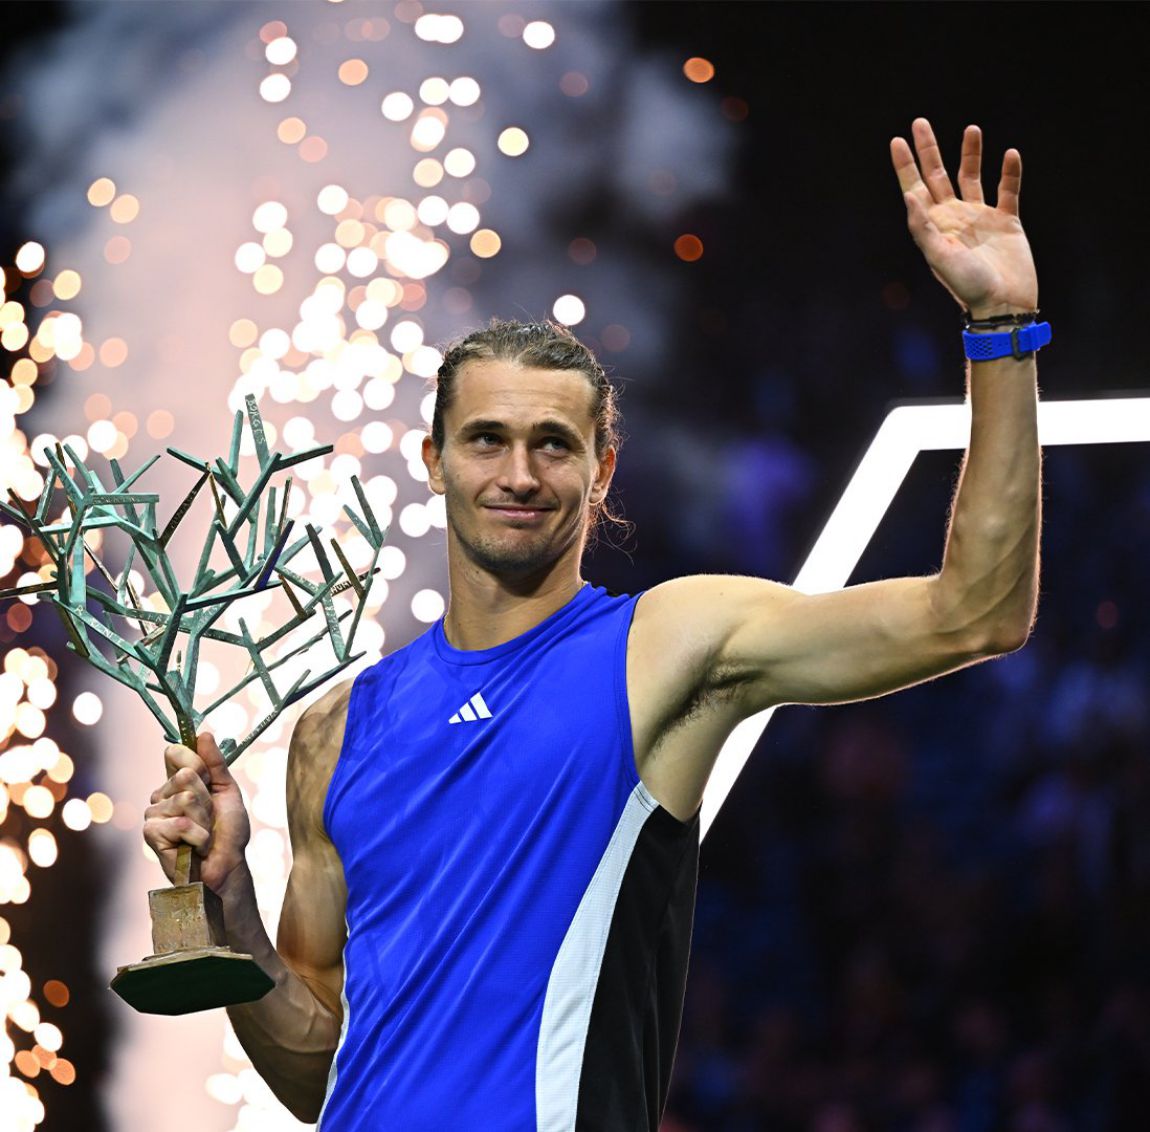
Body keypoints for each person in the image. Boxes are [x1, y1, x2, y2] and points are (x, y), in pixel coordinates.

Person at [144, 118, 1044, 1130]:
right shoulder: (337, 730)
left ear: (600, 469)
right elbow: (323, 1071)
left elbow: (975, 613)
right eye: (485, 440)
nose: (519, 474)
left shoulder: (666, 646)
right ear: (434, 461)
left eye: (552, 444)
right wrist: (232, 920)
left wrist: (1001, 330)